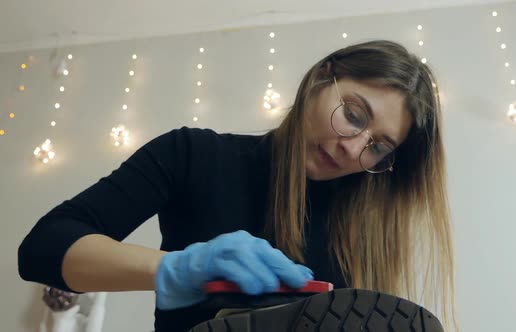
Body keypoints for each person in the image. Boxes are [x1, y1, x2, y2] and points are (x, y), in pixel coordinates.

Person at [18, 40, 457, 331]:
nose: (353, 148)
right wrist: (176, 269)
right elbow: (43, 249)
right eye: (354, 116)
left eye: (377, 147)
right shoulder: (191, 154)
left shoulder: (365, 225)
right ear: (323, 77)